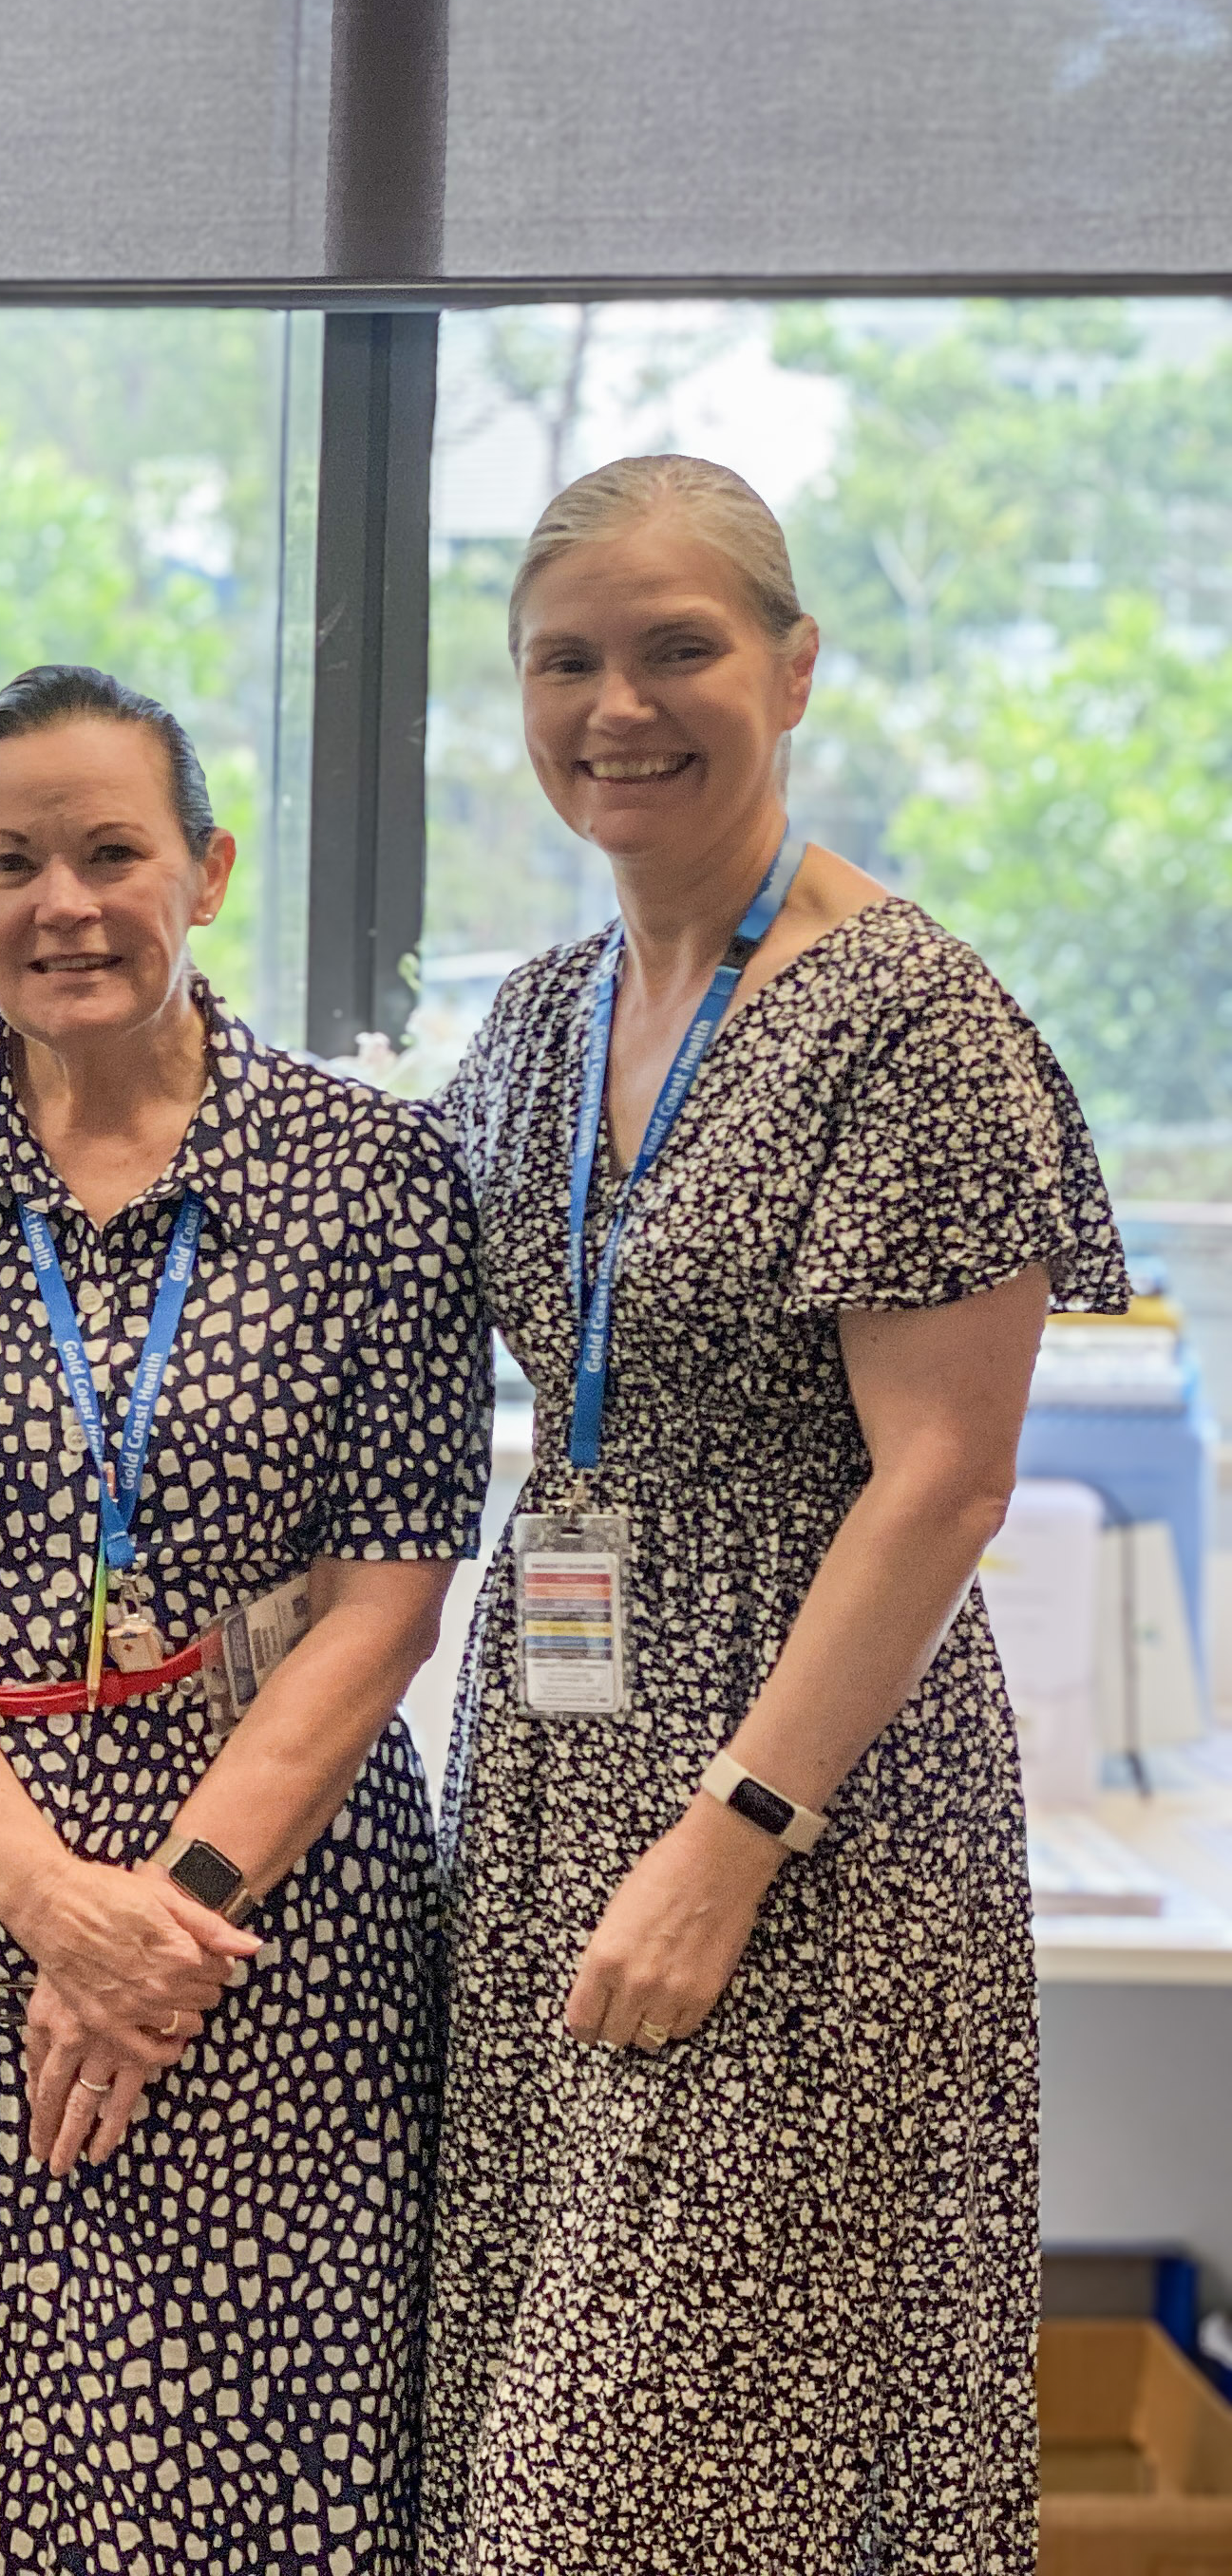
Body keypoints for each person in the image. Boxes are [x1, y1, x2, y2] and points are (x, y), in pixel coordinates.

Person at [0, 665, 490, 2574]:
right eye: (13, 862)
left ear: (206, 869)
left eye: (113, 851)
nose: (66, 903)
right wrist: (60, 1905)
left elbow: (386, 1598)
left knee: (246, 2448)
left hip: (271, 1926)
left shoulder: (371, 1175)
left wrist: (171, 1924)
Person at [416, 456, 1125, 2571]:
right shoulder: (541, 1018)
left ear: (794, 667)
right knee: (564, 2435)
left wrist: (734, 1838)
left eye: (677, 650)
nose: (617, 706)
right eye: (566, 662)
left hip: (797, 1809)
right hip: (554, 1764)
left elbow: (947, 1479)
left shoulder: (913, 1023)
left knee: (648, 2475)